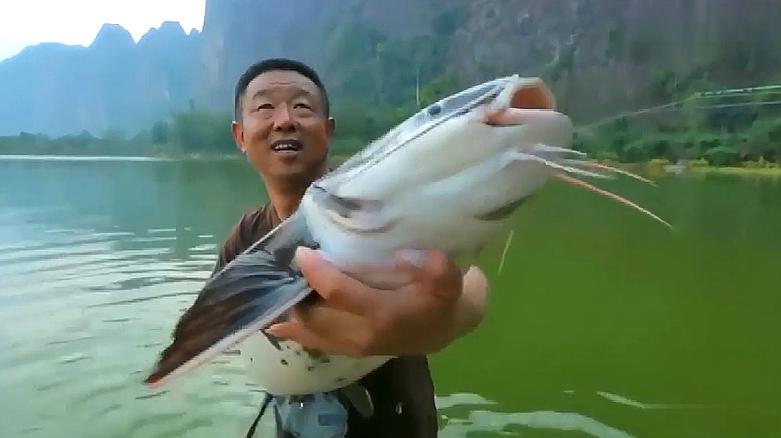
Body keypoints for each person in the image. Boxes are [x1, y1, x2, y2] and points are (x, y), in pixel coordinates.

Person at [214, 57, 490, 437]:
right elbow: (219, 325)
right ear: (240, 136)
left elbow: (472, 281)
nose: (284, 120)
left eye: (302, 107)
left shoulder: (381, 205)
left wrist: (446, 319)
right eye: (264, 108)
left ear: (327, 131)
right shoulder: (246, 239)